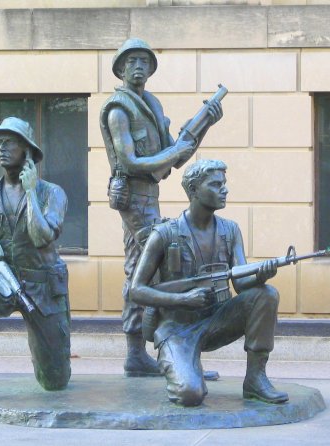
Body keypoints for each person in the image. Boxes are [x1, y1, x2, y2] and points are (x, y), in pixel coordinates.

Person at [100, 38, 223, 376]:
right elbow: (130, 159)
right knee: (160, 268)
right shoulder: (118, 109)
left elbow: (175, 157)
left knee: (144, 270)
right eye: (132, 61)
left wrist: (205, 123)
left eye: (144, 61)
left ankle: (140, 354)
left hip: (148, 196)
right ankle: (164, 350)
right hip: (134, 199)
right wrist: (174, 151)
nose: (139, 66)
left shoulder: (151, 105)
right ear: (121, 68)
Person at [130, 159, 288, 407]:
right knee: (189, 395)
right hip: (177, 328)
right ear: (193, 190)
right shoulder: (164, 234)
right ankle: (183, 365)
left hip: (217, 320)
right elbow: (136, 290)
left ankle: (256, 380)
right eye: (215, 185)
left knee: (266, 294)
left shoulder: (230, 230)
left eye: (224, 184)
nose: (224, 189)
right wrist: (181, 299)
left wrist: (260, 274)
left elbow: (242, 282)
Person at [0, 117, 70, 404]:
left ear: (27, 151)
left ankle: (51, 364)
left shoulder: (52, 193)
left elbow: (41, 237)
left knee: (55, 382)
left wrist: (31, 190)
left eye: (10, 142)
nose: (1, 148)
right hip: (0, 278)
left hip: (41, 286)